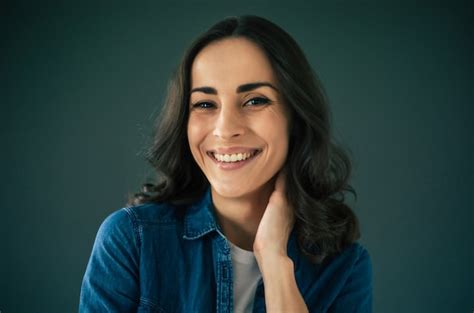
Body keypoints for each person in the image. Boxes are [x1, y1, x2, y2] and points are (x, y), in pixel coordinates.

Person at [79, 15, 372, 313]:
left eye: (255, 100)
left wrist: (274, 261)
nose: (225, 128)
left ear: (295, 118)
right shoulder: (132, 240)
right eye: (205, 104)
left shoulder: (345, 269)